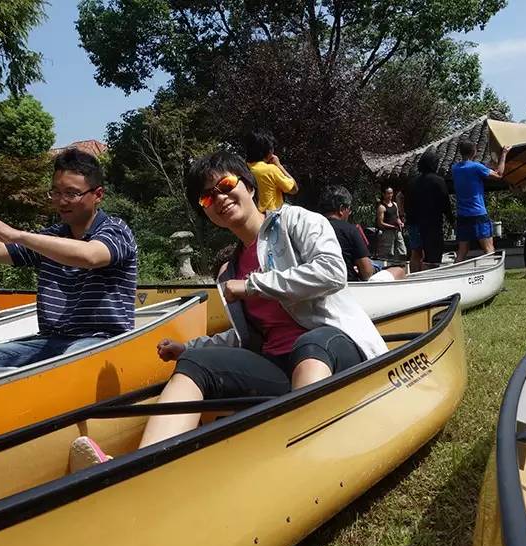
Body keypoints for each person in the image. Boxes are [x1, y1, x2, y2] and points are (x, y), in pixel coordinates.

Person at [70, 151, 387, 466]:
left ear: (248, 185)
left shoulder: (298, 221)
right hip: (283, 369)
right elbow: (246, 337)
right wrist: (190, 347)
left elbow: (332, 272)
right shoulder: (230, 269)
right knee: (196, 362)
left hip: (336, 350)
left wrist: (254, 285)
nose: (219, 198)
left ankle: (305, 454)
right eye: (207, 198)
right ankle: (141, 466)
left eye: (225, 184)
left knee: (311, 342)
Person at [0, 148, 137, 392]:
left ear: (98, 194)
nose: (61, 201)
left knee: (69, 365)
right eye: (56, 192)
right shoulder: (52, 237)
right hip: (49, 342)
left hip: (103, 342)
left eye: (71, 193)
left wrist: (19, 235)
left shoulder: (116, 230)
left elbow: (90, 255)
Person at [318, 185, 406, 282]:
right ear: (341, 209)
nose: (349, 213)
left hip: (318, 282)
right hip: (348, 284)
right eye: (349, 209)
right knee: (399, 270)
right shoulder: (349, 230)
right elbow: (367, 273)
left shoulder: (311, 229)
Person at [452, 140, 510, 261]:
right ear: (474, 151)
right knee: (488, 248)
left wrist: (486, 166)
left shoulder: (455, 168)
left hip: (462, 215)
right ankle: (491, 274)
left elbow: (475, 169)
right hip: (477, 213)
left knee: (462, 251)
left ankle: (455, 273)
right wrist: (504, 154)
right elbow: (499, 174)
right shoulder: (476, 167)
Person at [403, 150, 453, 271]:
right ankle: (431, 276)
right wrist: (452, 219)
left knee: (416, 252)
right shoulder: (438, 181)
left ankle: (414, 276)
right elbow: (445, 203)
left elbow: (406, 202)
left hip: (414, 223)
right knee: (433, 255)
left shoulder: (412, 182)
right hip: (432, 224)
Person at [246, 130, 299, 212]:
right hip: (273, 217)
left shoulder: (244, 169)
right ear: (268, 151)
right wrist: (279, 166)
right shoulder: (270, 170)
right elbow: (294, 189)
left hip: (254, 218)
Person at [375, 186, 406, 261]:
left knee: (402, 251)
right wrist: (392, 226)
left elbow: (397, 217)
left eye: (391, 193)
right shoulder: (381, 207)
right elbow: (380, 223)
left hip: (397, 232)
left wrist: (400, 223)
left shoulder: (395, 204)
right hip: (387, 233)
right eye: (388, 193)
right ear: (383, 194)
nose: (390, 195)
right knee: (388, 254)